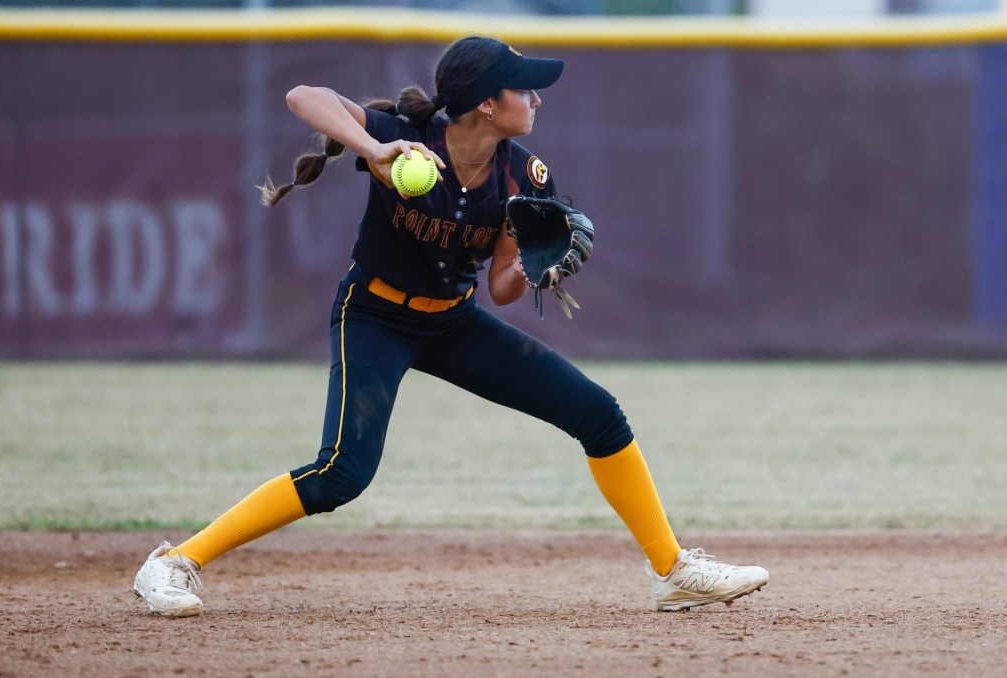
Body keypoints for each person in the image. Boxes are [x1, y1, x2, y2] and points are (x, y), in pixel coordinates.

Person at [133, 35, 768, 617]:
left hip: (453, 324)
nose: (535, 97)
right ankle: (174, 563)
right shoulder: (405, 136)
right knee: (341, 474)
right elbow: (304, 96)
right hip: (374, 315)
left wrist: (532, 266)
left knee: (599, 415)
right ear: (486, 105)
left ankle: (672, 569)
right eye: (522, 88)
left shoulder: (524, 176)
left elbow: (500, 288)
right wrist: (375, 150)